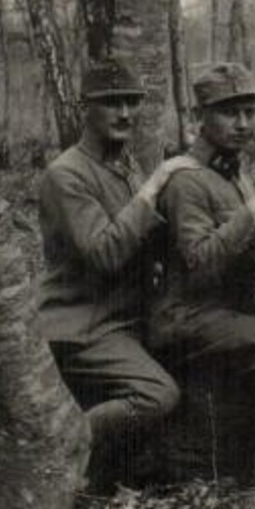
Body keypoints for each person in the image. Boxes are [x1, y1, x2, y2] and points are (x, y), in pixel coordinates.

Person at [147, 62, 255, 492]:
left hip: (229, 309)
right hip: (186, 316)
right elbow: (201, 262)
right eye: (229, 112)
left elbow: (253, 246)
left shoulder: (235, 173)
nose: (242, 123)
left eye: (249, 111)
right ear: (198, 117)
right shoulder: (186, 180)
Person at [37, 58, 196, 484]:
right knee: (157, 395)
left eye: (131, 102)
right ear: (83, 108)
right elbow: (105, 253)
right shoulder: (65, 174)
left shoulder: (124, 166)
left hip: (127, 316)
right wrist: (151, 190)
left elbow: (150, 235)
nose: (125, 113)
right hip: (82, 325)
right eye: (111, 103)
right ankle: (63, 445)